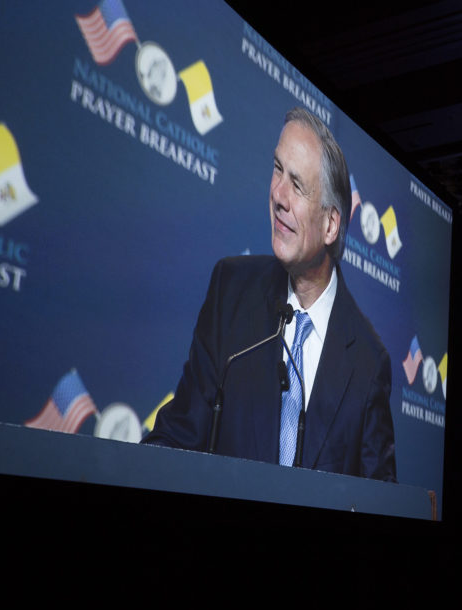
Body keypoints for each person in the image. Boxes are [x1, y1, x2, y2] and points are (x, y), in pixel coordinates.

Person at [142, 107, 396, 482]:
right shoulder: (230, 291)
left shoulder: (368, 363)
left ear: (330, 224)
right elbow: (180, 437)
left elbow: (377, 506)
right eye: (278, 169)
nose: (278, 194)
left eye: (297, 184)